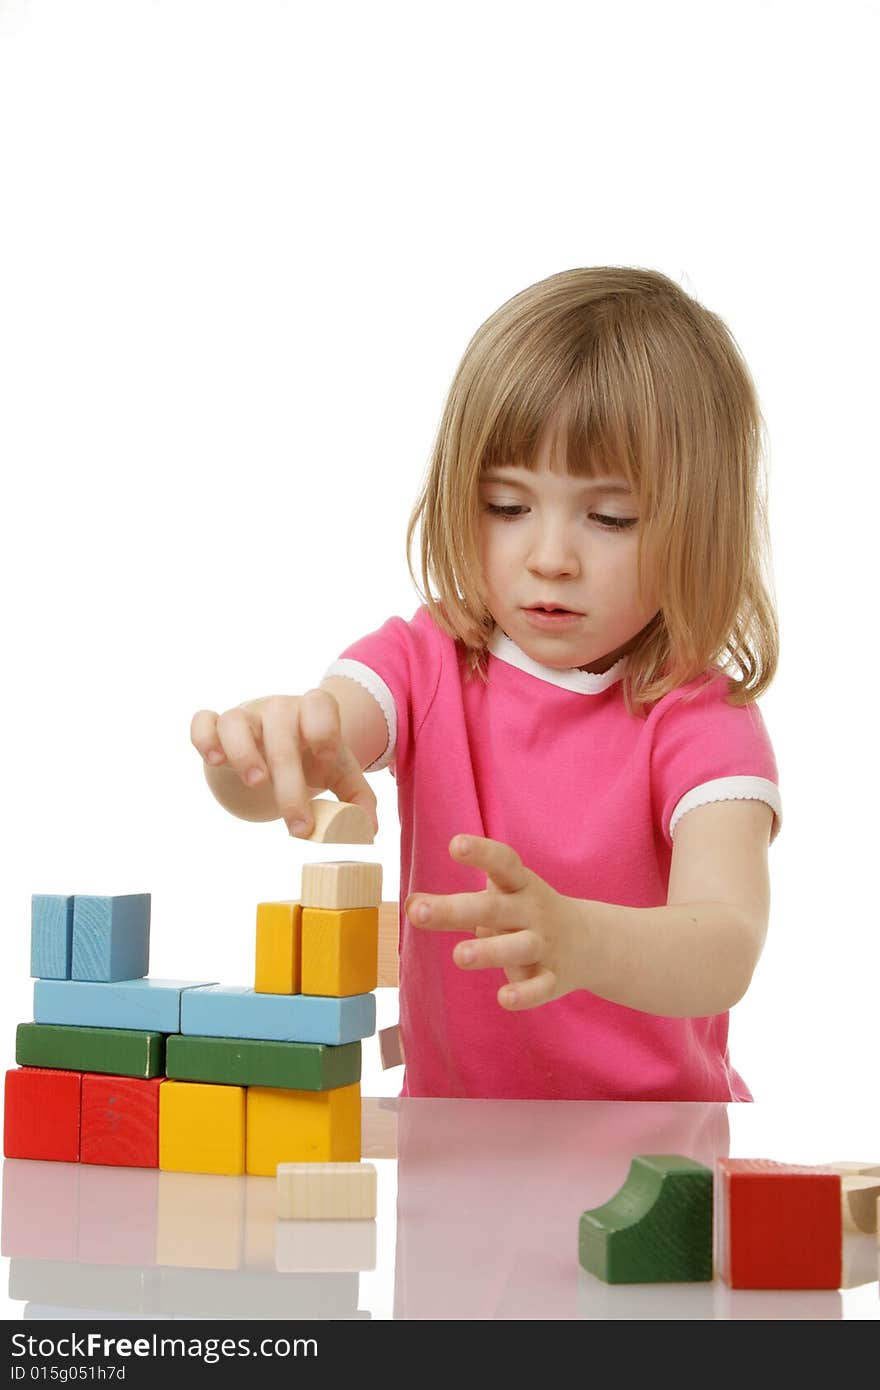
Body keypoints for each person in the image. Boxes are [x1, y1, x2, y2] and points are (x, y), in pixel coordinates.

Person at [191, 266, 781, 1102]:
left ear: (698, 527)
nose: (550, 556)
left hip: (657, 1161)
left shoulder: (700, 718)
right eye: (508, 505)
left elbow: (725, 946)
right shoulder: (426, 659)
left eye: (609, 518)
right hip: (456, 1157)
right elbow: (305, 754)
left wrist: (579, 938)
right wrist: (261, 747)